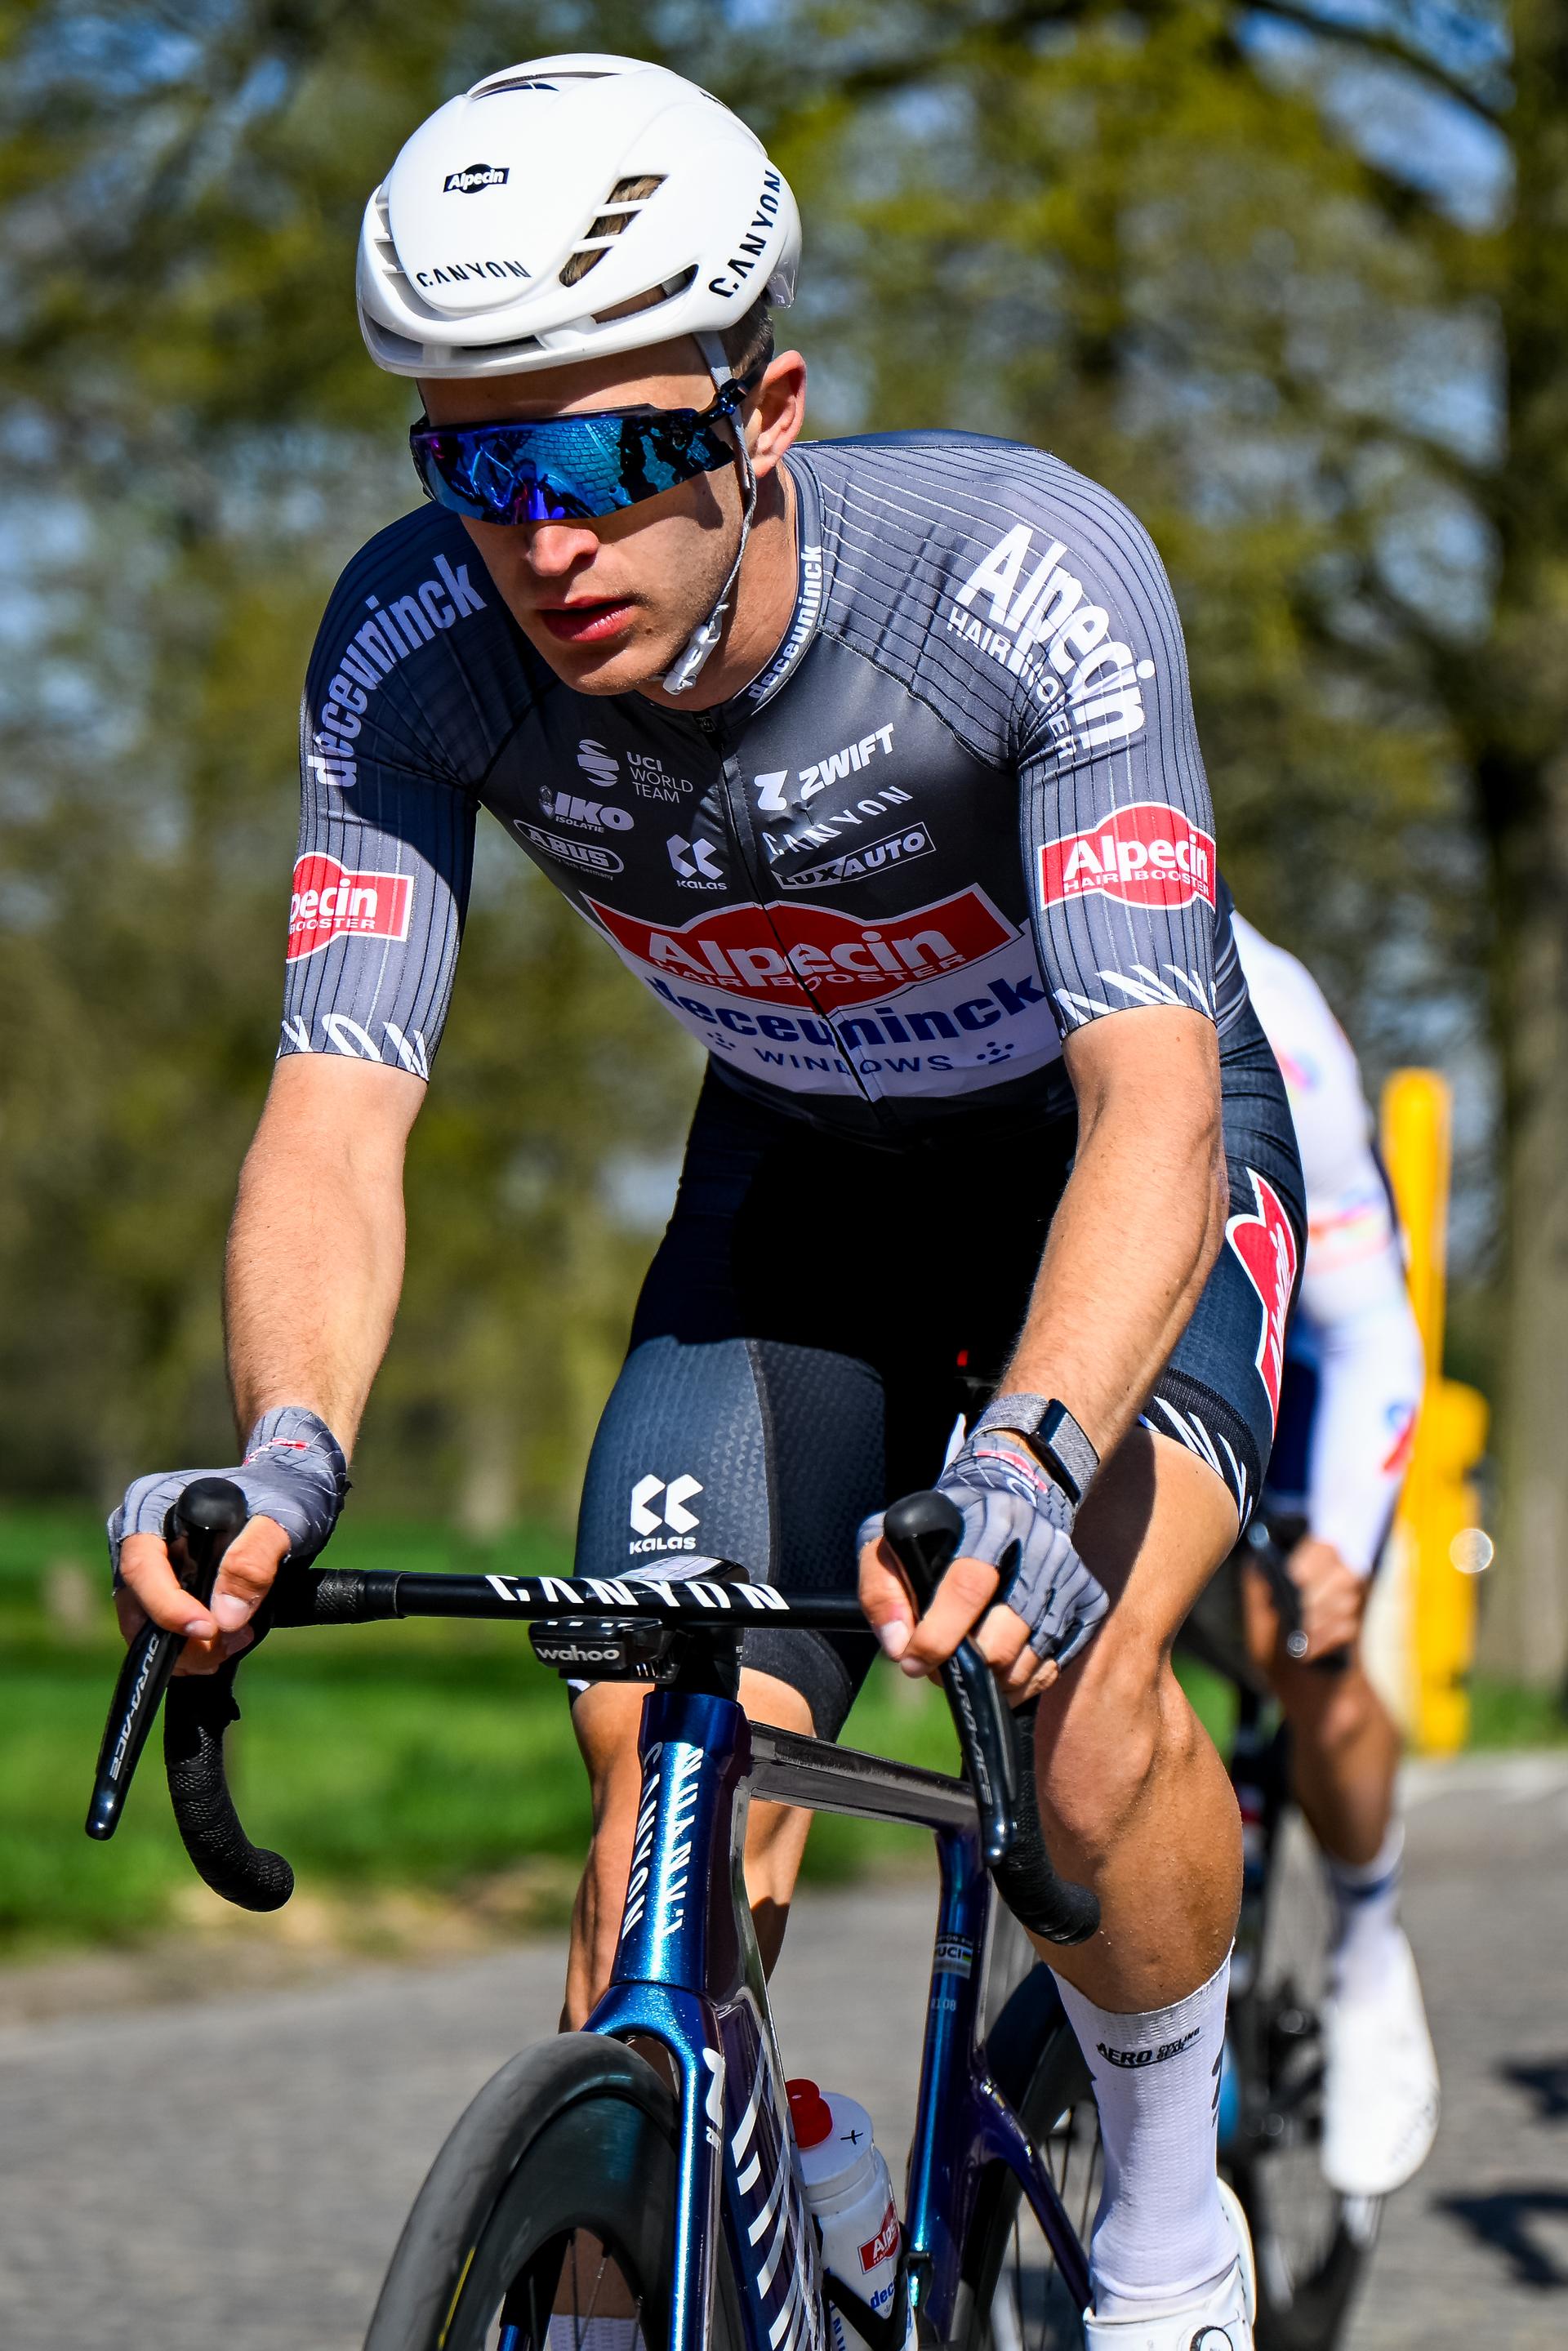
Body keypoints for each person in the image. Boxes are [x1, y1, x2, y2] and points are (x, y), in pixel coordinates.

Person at [108, 57, 1307, 2349]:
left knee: (1071, 1699)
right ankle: (743, 2179)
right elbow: (338, 1108)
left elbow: (1152, 1093)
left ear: (765, 410)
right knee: (658, 1758)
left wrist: (1031, 1453)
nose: (537, 539)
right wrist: (283, 1452)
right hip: (802, 1181)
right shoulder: (411, 650)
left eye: (598, 460)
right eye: (472, 467)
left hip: (1105, 1171)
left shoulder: (1018, 576)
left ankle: (1170, 2238)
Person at [1229, 912, 1438, 2197]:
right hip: (1127, 1336)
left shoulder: (1276, 1017)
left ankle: (1367, 1945)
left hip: (1305, 1352)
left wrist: (1341, 1557)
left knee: (1300, 1644)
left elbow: (1372, 1335)